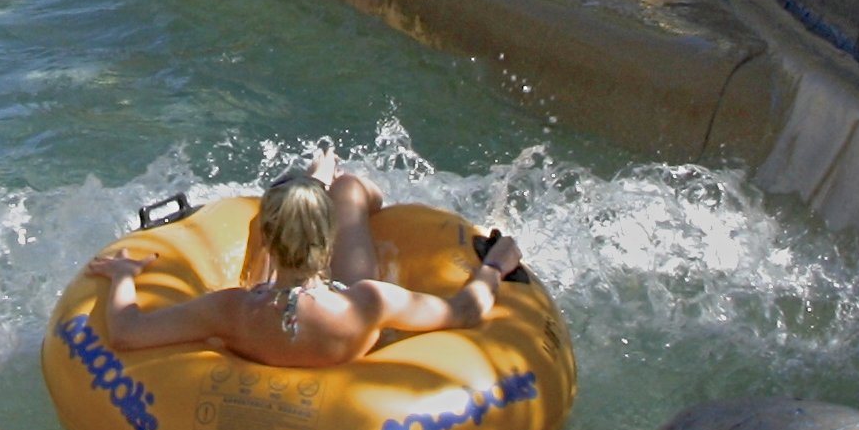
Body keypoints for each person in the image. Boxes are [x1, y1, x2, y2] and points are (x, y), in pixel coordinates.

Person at [76, 156, 525, 370]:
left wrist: (123, 277)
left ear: (265, 239)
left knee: (271, 271)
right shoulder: (369, 302)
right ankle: (328, 187)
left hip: (263, 313)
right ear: (329, 238)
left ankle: (309, 186)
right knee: (351, 189)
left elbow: (126, 333)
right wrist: (493, 266)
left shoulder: (231, 310)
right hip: (337, 316)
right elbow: (466, 310)